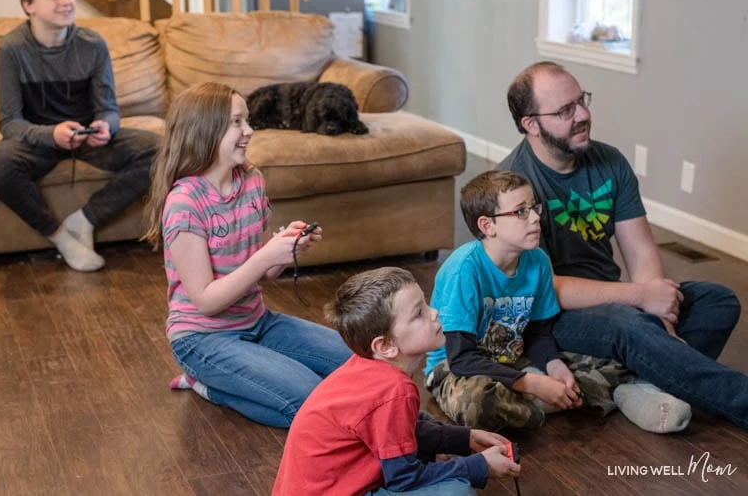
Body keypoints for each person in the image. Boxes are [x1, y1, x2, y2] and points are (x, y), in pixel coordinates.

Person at [498, 60, 747, 431]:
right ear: (530, 124)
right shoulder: (514, 188)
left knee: (716, 300)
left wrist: (660, 310)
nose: (583, 114)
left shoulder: (609, 161)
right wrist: (639, 298)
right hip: (551, 318)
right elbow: (547, 289)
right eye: (566, 110)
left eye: (581, 101)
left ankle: (636, 383)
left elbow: (640, 250)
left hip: (617, 301)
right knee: (627, 323)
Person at [143, 81, 351, 428]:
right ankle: (208, 384)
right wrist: (267, 256)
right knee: (312, 403)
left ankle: (241, 377)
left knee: (356, 365)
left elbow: (265, 274)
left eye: (247, 120)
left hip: (258, 321)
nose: (249, 131)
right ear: (206, 130)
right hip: (202, 338)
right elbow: (207, 301)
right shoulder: (184, 204)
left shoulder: (252, 180)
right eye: (237, 122)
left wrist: (286, 249)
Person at [424, 170, 691, 434]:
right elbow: (461, 358)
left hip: (513, 358)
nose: (535, 218)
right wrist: (532, 383)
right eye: (520, 212)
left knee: (618, 355)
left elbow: (538, 331)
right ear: (487, 226)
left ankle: (561, 396)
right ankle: (576, 397)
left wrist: (554, 365)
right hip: (455, 369)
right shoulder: (464, 270)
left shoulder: (537, 260)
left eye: (533, 207)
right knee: (476, 403)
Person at [273, 266, 521, 496]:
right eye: (419, 314)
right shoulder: (393, 390)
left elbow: (395, 429)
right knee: (456, 492)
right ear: (386, 345)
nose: (434, 313)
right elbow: (404, 478)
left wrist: (463, 438)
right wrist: (479, 466)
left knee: (429, 444)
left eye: (426, 305)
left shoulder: (370, 369)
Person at [0, 0, 159, 272]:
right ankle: (61, 236)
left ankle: (84, 220)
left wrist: (106, 125)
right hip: (38, 140)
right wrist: (50, 135)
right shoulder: (12, 49)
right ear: (29, 6)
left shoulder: (92, 44)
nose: (66, 1)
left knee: (162, 149)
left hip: (87, 137)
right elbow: (9, 122)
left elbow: (108, 107)